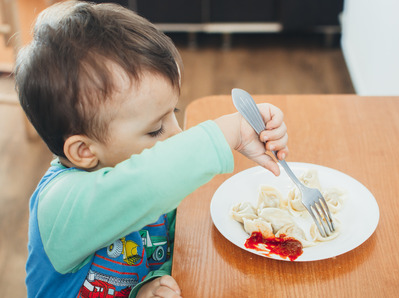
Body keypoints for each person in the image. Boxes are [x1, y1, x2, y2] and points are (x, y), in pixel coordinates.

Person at [15, 1, 288, 297]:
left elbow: (162, 247)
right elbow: (144, 185)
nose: (178, 134)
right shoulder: (60, 207)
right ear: (84, 151)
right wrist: (229, 133)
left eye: (175, 112)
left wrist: (146, 286)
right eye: (155, 129)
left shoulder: (139, 173)